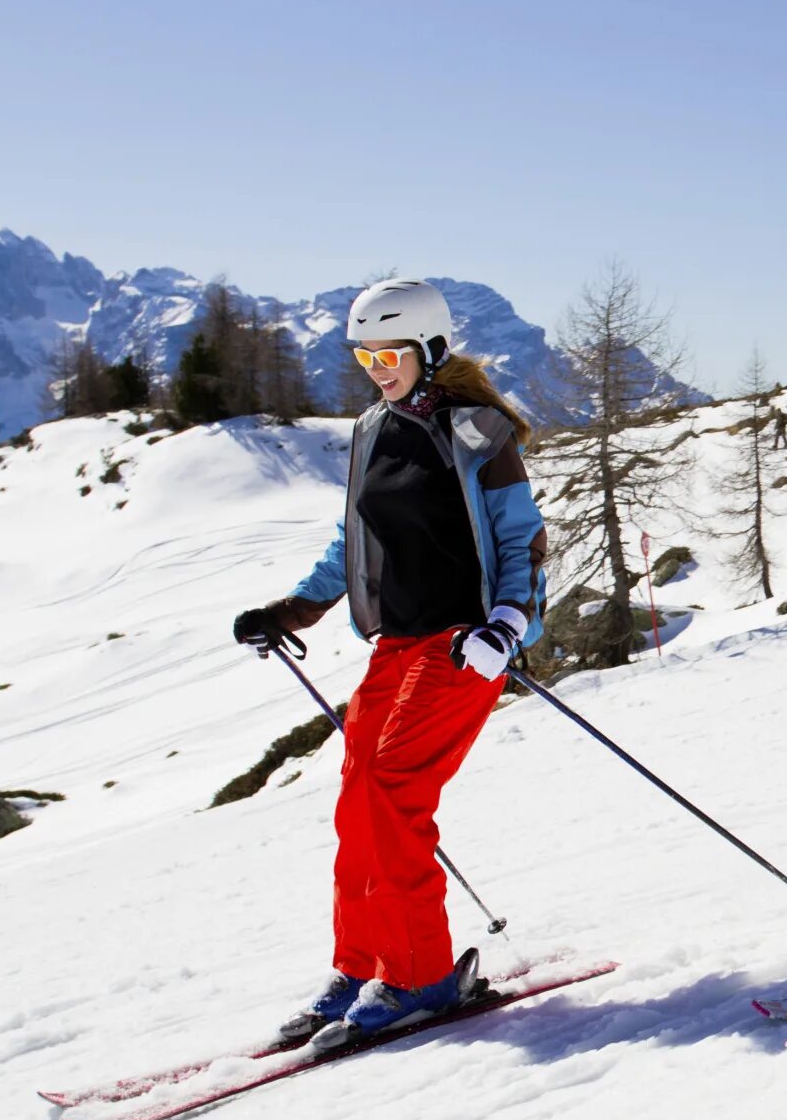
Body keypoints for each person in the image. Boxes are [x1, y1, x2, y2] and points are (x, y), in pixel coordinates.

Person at [232, 278, 549, 1045]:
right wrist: (295, 609)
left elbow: (523, 540)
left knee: (392, 788)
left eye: (390, 353)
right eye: (365, 354)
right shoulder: (374, 427)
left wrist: (508, 625)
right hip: (396, 643)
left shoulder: (479, 431)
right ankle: (363, 964)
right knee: (356, 799)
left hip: (461, 645)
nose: (376, 367)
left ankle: (421, 976)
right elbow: (355, 539)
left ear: (431, 350)